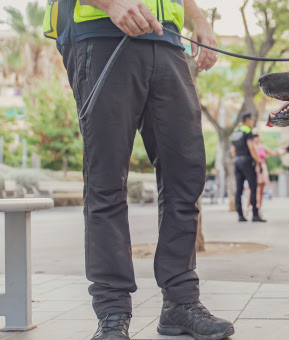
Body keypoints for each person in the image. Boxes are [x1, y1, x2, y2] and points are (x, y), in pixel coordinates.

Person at [45, 0, 234, 339]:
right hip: (102, 36)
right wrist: (110, 3)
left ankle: (180, 301)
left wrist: (199, 19)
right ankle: (112, 312)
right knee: (106, 180)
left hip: (168, 42)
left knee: (186, 176)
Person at [231, 113, 267, 222]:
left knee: (239, 189)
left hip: (237, 161)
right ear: (247, 120)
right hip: (247, 161)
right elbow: (251, 148)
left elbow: (232, 151)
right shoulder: (247, 131)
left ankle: (240, 215)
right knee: (253, 187)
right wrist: (259, 161)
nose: (252, 121)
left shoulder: (235, 132)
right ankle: (255, 215)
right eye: (251, 119)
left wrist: (237, 160)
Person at [247, 131, 277, 215]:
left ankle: (259, 208)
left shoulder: (262, 147)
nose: (256, 138)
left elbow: (272, 153)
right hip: (254, 169)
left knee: (261, 190)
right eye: (254, 136)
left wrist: (281, 150)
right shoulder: (251, 146)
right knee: (253, 190)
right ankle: (249, 208)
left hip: (262, 168)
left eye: (257, 136)